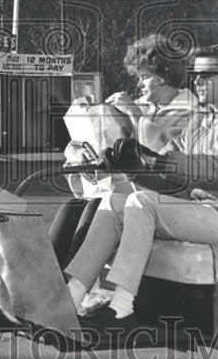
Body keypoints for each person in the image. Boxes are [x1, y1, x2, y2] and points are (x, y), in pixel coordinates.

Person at [63, 44, 218, 332]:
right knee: (115, 200)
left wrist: (156, 159)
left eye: (206, 75)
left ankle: (122, 310)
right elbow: (168, 166)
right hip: (203, 210)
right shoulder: (203, 118)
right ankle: (69, 299)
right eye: (195, 75)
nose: (197, 82)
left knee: (142, 203)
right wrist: (131, 166)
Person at [50, 35, 194, 267]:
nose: (139, 85)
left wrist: (136, 115)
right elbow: (93, 138)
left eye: (144, 77)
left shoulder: (189, 112)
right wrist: (79, 155)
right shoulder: (143, 105)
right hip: (123, 191)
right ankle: (45, 283)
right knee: (72, 207)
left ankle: (68, 287)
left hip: (160, 198)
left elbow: (166, 158)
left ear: (163, 77)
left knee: (97, 209)